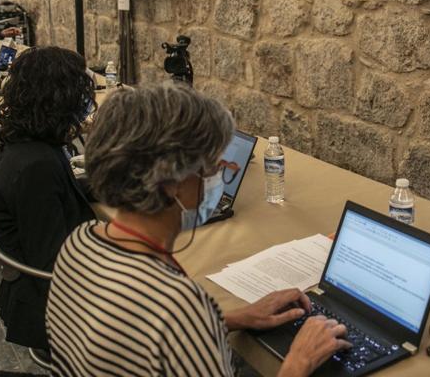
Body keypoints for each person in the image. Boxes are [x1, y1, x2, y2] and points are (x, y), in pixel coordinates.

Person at [46, 83, 351, 377]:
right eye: (210, 168)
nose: (216, 178)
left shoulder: (79, 241)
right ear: (172, 182)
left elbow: (132, 332)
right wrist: (299, 361)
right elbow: (170, 319)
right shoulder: (177, 306)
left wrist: (233, 317)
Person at [0, 47, 97, 353]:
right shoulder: (37, 166)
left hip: (43, 287)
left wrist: (111, 184)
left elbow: (59, 194)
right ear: (61, 99)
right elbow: (56, 265)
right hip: (56, 311)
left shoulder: (26, 144)